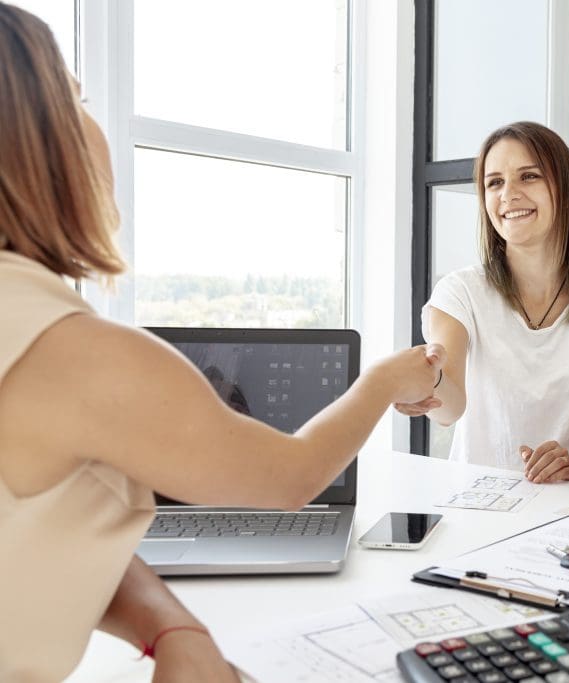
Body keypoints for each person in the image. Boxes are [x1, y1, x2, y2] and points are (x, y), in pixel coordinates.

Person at [0, 5, 443, 681]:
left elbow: (43, 535)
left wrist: (167, 621)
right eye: (79, 98)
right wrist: (383, 379)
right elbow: (292, 475)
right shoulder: (78, 353)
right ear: (37, 137)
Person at [395, 122, 569, 483]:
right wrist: (429, 385)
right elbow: (449, 408)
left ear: (563, 189)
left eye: (528, 176)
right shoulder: (460, 292)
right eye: (494, 182)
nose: (509, 194)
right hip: (477, 512)